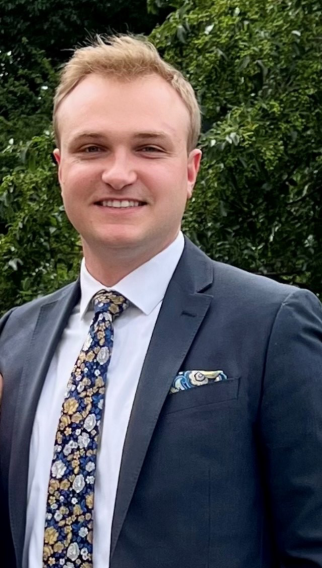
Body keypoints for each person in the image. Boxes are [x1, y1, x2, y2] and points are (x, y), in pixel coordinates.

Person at [1, 34, 322, 568]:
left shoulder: (273, 325)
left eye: (149, 148)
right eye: (92, 147)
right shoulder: (13, 338)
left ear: (190, 169)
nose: (119, 173)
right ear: (60, 167)